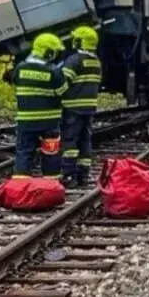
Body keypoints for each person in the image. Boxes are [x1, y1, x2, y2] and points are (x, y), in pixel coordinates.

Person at [12, 33, 68, 178]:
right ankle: (51, 183)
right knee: (50, 153)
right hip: (49, 122)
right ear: (48, 52)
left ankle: (20, 185)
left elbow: (16, 83)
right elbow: (62, 91)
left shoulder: (20, 68)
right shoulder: (53, 71)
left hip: (25, 121)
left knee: (24, 152)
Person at [58, 26, 102, 188]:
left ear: (81, 41)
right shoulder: (96, 61)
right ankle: (83, 174)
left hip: (72, 107)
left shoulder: (74, 60)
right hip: (89, 107)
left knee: (69, 141)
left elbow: (63, 82)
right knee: (85, 140)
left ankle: (69, 174)